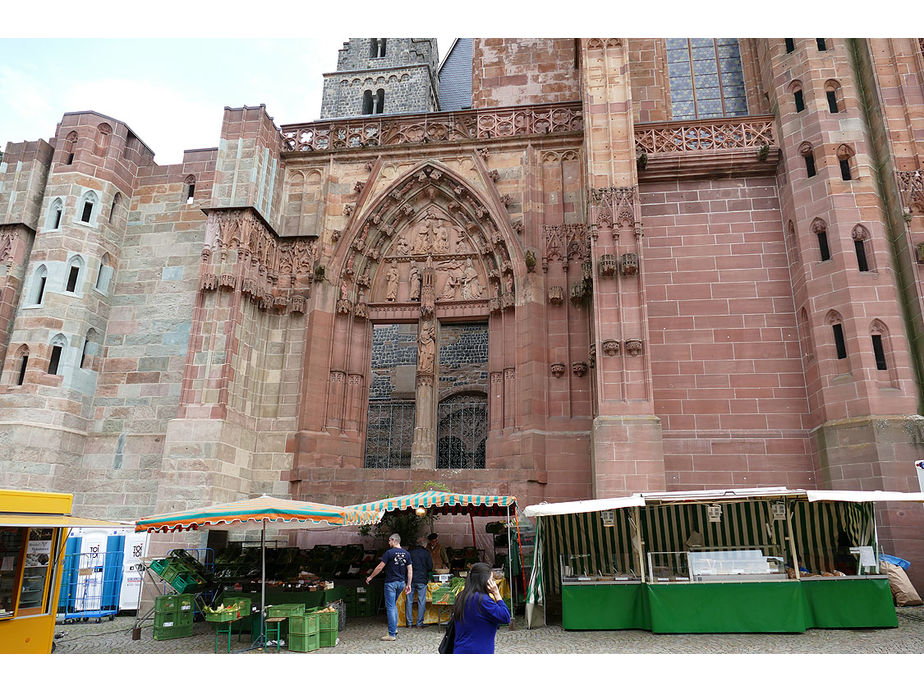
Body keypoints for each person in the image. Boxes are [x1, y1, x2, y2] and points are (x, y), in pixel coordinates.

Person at [449, 562, 510, 654]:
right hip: (478, 650)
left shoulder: (461, 596)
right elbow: (505, 617)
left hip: (460, 649)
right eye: (492, 579)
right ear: (485, 580)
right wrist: (497, 594)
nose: (493, 582)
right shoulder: (483, 600)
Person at [366, 533, 412, 641]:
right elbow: (410, 570)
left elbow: (380, 567)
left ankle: (391, 634)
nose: (388, 543)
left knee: (390, 607)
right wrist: (408, 584)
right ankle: (394, 629)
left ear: (393, 540)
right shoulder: (407, 554)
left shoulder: (389, 553)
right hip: (401, 583)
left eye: (389, 541)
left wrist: (370, 577)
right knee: (393, 605)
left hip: (391, 583)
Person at [407, 536, 433, 627]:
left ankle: (409, 623)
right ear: (424, 545)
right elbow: (430, 567)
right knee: (421, 601)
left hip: (411, 579)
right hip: (422, 579)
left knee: (409, 601)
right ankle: (419, 624)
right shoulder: (426, 553)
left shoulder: (410, 553)